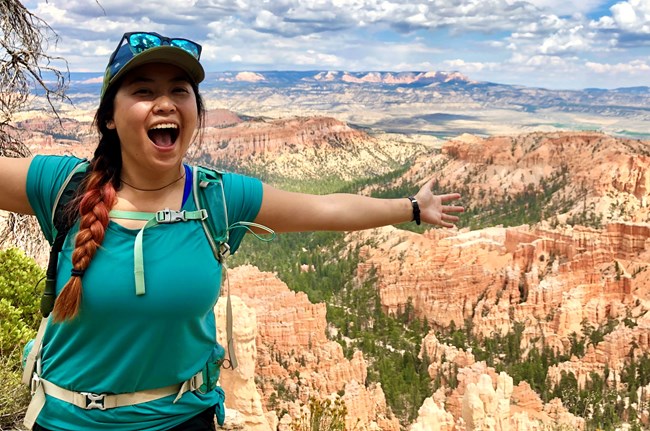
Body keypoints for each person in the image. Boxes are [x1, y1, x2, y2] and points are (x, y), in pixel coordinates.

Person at [0, 31, 464, 431]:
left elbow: (324, 207)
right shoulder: (60, 185)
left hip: (183, 419)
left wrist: (411, 209)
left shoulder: (217, 198)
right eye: (143, 90)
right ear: (108, 116)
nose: (165, 103)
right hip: (68, 421)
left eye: (180, 90)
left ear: (195, 110)